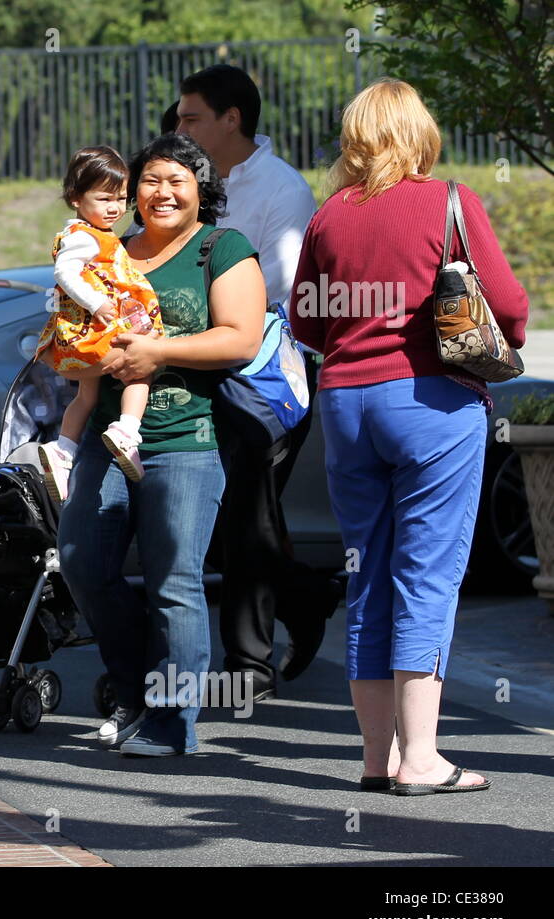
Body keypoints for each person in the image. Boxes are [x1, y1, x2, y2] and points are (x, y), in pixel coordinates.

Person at [289, 78, 527, 794]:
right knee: (427, 574)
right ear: (418, 131)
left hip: (346, 405)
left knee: (368, 575)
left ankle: (374, 759)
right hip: (432, 401)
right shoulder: (449, 201)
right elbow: (509, 307)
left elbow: (304, 321)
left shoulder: (329, 215)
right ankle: (422, 759)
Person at [57, 133, 265, 756]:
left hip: (188, 439)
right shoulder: (110, 249)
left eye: (178, 179)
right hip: (106, 439)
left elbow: (240, 339)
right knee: (83, 564)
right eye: (150, 179)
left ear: (202, 188)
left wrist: (157, 351)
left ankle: (173, 721)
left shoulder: (219, 249)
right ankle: (133, 694)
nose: (163, 192)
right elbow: (82, 330)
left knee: (175, 580)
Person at [175, 63, 340, 698]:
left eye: (191, 117)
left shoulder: (283, 190)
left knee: (242, 509)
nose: (179, 127)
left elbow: (282, 292)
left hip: (268, 373)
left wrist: (199, 312)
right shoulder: (188, 180)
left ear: (231, 119)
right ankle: (307, 596)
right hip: (198, 363)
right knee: (226, 513)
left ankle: (248, 664)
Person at [36, 145, 164, 498]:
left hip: (85, 335)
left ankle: (63, 451)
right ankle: (127, 429)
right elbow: (64, 271)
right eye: (104, 198)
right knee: (141, 369)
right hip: (96, 331)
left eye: (121, 198)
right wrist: (97, 303)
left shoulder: (88, 234)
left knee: (86, 396)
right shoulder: (83, 236)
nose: (115, 208)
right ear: (76, 198)